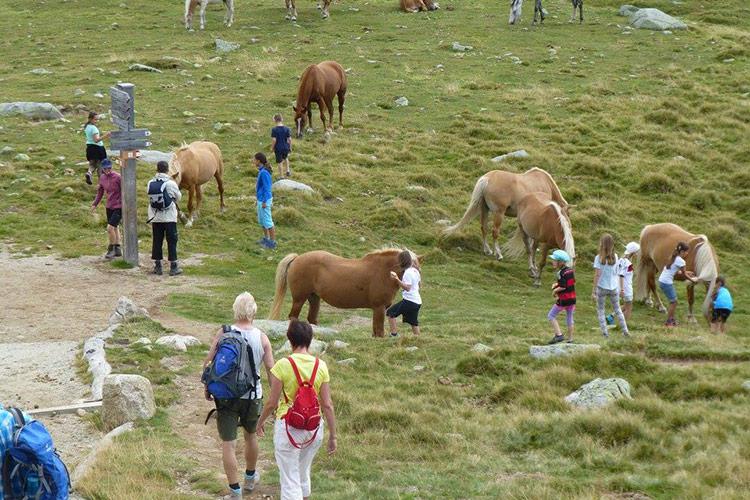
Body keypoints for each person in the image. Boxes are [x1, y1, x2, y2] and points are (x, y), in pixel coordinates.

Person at [204, 292, 275, 499]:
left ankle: (235, 492)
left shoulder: (223, 333)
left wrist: (208, 387)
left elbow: (208, 363)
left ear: (235, 310)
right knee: (251, 435)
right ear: (253, 311)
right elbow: (272, 370)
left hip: (225, 396)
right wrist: (275, 398)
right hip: (252, 395)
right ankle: (250, 479)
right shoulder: (262, 337)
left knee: (229, 443)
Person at [257, 320, 337, 500]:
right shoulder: (321, 366)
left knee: (289, 479)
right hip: (314, 428)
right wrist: (333, 435)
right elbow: (327, 404)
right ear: (310, 339)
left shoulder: (283, 365)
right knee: (302, 471)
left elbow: (271, 402)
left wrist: (259, 423)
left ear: (290, 339)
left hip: (289, 427)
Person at [147, 160, 183, 276]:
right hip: (169, 217)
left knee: (157, 240)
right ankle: (173, 266)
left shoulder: (150, 183)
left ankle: (158, 266)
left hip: (155, 217)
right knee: (172, 241)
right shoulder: (171, 183)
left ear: (157, 169)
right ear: (167, 170)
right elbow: (178, 197)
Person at [593, 234, 630, 338]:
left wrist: (594, 290)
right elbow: (617, 272)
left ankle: (605, 333)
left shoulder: (598, 258)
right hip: (613, 287)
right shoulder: (616, 256)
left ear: (602, 244)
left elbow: (597, 274)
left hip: (602, 287)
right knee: (618, 309)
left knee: (601, 310)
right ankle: (625, 331)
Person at [658, 241, 697, 327]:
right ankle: (669, 322)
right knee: (674, 302)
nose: (687, 253)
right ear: (682, 252)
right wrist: (693, 280)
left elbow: (675, 270)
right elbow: (684, 274)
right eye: (687, 252)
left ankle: (671, 319)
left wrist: (688, 272)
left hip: (662, 281)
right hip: (666, 283)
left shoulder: (673, 257)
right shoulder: (681, 261)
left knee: (673, 301)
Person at [90, 158, 122, 260]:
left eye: (109, 168)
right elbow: (100, 192)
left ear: (111, 167)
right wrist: (95, 204)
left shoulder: (118, 177)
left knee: (110, 228)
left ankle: (111, 249)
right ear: (102, 169)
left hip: (119, 206)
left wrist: (124, 204)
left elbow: (124, 191)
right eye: (105, 168)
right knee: (115, 227)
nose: (107, 170)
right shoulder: (102, 178)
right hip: (109, 206)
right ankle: (117, 248)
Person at [387, 250, 422, 337]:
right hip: (417, 301)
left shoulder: (408, 273)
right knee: (413, 322)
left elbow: (407, 288)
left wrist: (396, 279)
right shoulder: (415, 271)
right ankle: (418, 338)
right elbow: (419, 285)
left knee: (390, 313)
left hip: (409, 301)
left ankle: (394, 335)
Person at [547, 249, 575, 344]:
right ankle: (570, 339)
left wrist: (555, 290)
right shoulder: (570, 271)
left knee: (551, 315)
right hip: (572, 299)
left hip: (564, 300)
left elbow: (563, 287)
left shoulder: (560, 273)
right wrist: (557, 284)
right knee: (569, 317)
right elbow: (569, 283)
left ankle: (559, 335)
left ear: (560, 262)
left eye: (554, 260)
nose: (552, 262)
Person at [254, 153, 277, 249]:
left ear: (259, 161)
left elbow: (267, 188)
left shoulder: (264, 173)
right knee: (262, 220)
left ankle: (272, 242)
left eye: (254, 159)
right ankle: (266, 238)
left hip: (265, 200)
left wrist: (263, 201)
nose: (253, 161)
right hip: (261, 199)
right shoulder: (261, 171)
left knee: (268, 221)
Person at [83, 111, 111, 185]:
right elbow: (96, 140)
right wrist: (106, 135)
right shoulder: (94, 128)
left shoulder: (87, 127)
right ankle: (101, 183)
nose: (97, 121)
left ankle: (89, 173)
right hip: (98, 148)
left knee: (92, 164)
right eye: (95, 119)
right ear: (90, 119)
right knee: (100, 166)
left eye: (97, 119)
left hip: (90, 147)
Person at [617, 241, 640, 322]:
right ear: (633, 253)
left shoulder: (621, 260)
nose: (638, 254)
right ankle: (624, 325)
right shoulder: (627, 263)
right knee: (628, 308)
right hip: (626, 287)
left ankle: (612, 317)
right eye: (637, 252)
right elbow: (621, 275)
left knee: (626, 305)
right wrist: (622, 290)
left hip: (621, 286)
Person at [271, 114, 292, 178]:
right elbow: (289, 139)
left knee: (280, 162)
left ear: (274, 120)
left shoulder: (274, 129)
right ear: (281, 119)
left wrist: (272, 148)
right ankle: (288, 170)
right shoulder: (287, 129)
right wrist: (290, 147)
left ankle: (281, 176)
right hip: (286, 146)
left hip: (278, 148)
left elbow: (274, 140)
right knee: (286, 158)